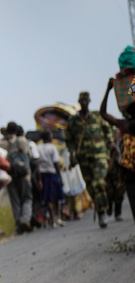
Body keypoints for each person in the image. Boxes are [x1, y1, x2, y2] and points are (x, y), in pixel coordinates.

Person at [66, 91, 118, 228]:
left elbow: (107, 131)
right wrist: (72, 152)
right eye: (81, 100)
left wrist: (111, 143)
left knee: (98, 183)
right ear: (79, 102)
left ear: (89, 101)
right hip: (83, 159)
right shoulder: (73, 121)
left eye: (86, 100)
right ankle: (103, 206)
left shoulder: (96, 117)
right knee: (90, 187)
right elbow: (69, 140)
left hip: (100, 155)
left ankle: (102, 211)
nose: (84, 102)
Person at [100, 77, 135, 223]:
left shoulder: (124, 126)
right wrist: (108, 91)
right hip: (130, 175)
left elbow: (103, 114)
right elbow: (103, 114)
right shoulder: (124, 125)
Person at [0, 122, 34, 234]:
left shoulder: (2, 143)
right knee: (27, 198)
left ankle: (18, 224)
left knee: (15, 201)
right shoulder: (22, 141)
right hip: (24, 175)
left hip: (10, 176)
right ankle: (25, 219)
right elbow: (29, 156)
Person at [36, 131, 65, 228]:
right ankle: (58, 217)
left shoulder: (38, 148)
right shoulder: (52, 148)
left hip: (43, 174)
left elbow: (37, 165)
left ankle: (52, 219)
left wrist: (39, 179)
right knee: (57, 197)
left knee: (48, 198)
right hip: (52, 173)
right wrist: (60, 177)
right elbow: (56, 163)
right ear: (49, 137)